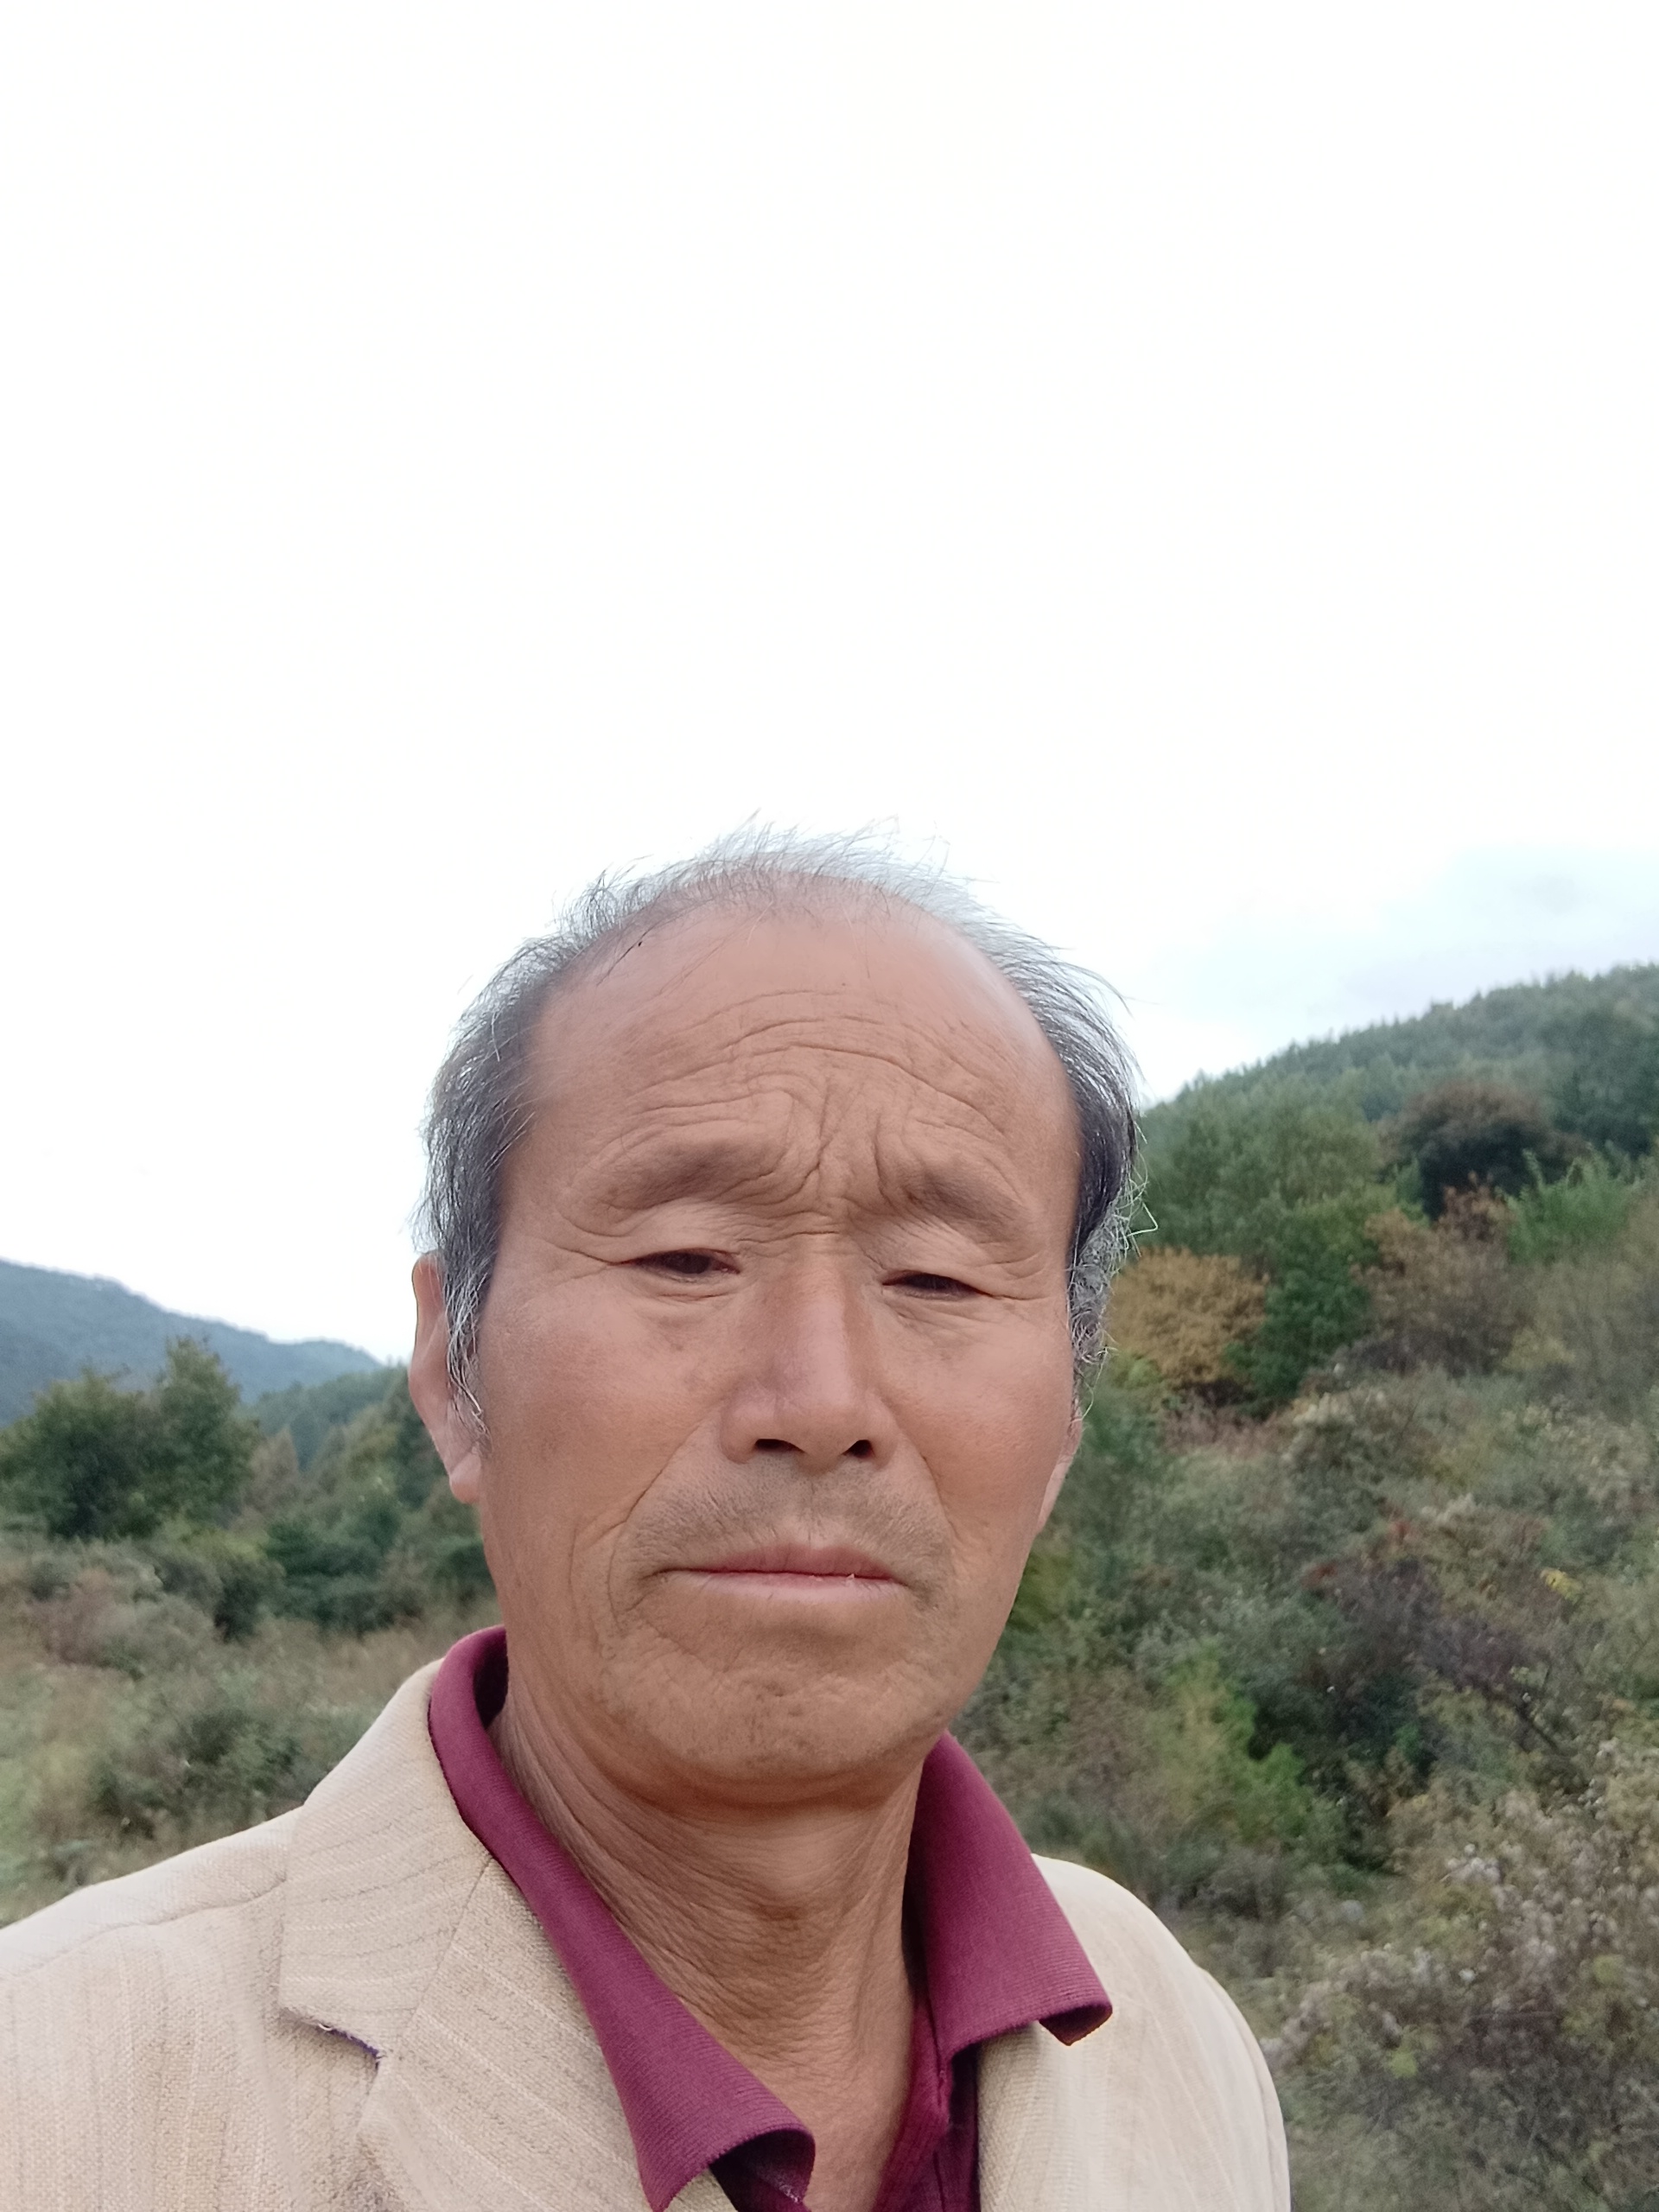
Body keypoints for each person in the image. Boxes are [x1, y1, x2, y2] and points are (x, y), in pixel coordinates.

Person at [0, 832, 1290, 2212]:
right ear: (454, 1373)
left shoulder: (1171, 2038)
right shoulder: (60, 2103)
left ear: (1065, 1423)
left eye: (937, 1278)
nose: (821, 1402)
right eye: (685, 1257)